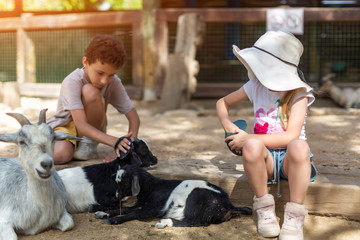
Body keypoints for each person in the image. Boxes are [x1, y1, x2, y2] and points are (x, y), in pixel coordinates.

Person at [216, 31, 317, 240]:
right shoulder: (255, 86)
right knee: (252, 146)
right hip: (266, 160)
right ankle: (264, 208)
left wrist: (249, 137)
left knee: (299, 146)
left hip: (292, 162)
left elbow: (291, 136)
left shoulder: (299, 94)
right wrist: (229, 126)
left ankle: (294, 216)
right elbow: (222, 103)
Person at [47, 34, 140, 165]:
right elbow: (80, 125)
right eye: (100, 73)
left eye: (111, 75)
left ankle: (88, 144)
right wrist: (115, 141)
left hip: (92, 126)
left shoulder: (114, 82)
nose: (104, 80)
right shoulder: (72, 81)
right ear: (85, 62)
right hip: (67, 126)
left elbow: (134, 117)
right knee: (60, 156)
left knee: (89, 91)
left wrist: (128, 151)